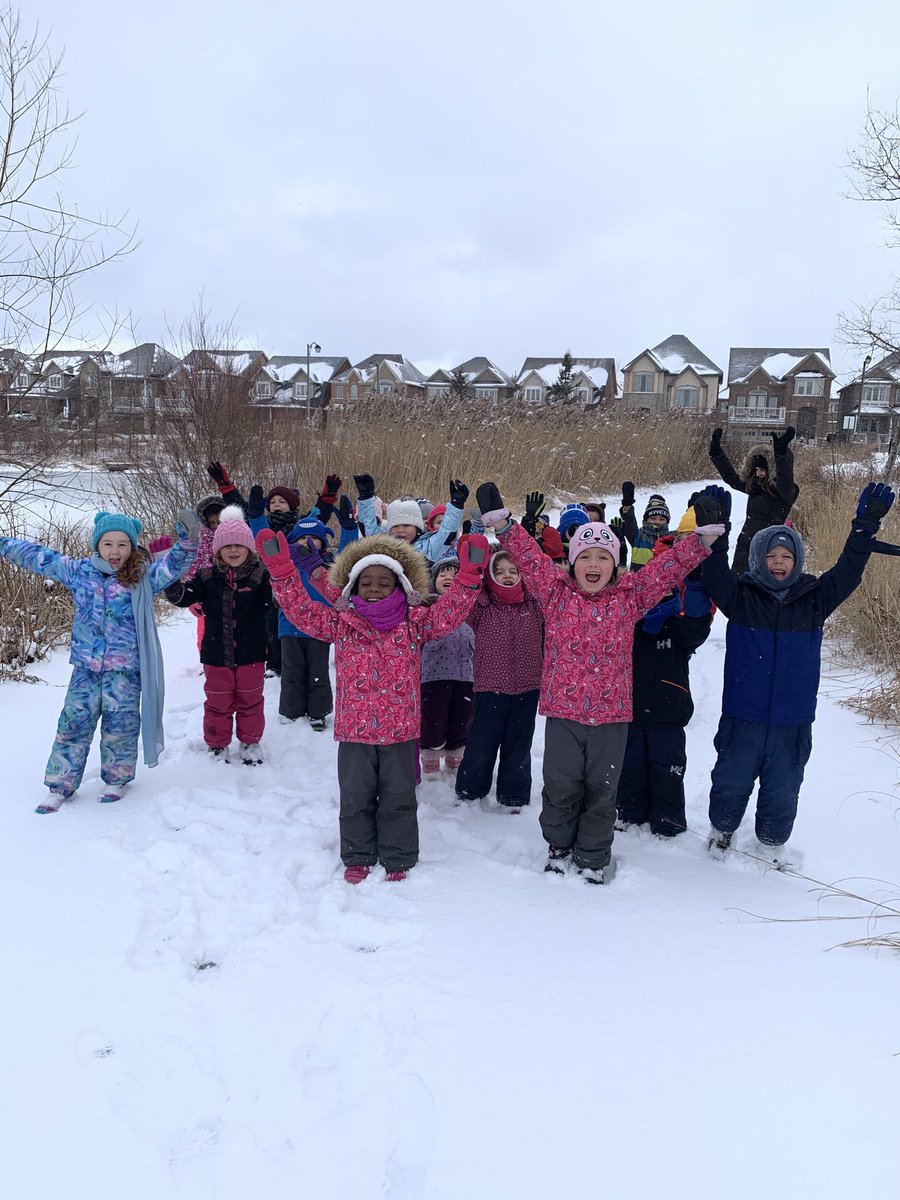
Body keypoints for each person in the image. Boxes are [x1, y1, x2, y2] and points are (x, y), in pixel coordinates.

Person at [475, 482, 724, 883]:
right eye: (586, 556)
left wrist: (702, 540)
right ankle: (559, 847)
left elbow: (667, 568)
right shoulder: (555, 594)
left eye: (603, 557)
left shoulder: (629, 597)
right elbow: (529, 558)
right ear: (573, 562)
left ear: (615, 564)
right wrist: (503, 525)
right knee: (560, 785)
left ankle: (593, 854)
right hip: (563, 713)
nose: (594, 563)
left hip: (611, 716)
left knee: (602, 789)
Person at [256, 527, 490, 883]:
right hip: (355, 732)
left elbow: (450, 613)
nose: (375, 588)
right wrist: (282, 571)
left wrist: (469, 577)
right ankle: (358, 854)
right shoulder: (341, 624)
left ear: (400, 585)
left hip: (400, 731)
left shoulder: (415, 623)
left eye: (384, 581)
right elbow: (300, 611)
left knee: (399, 796)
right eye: (366, 582)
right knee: (355, 797)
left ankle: (398, 856)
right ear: (353, 587)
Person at [702, 481, 894, 866]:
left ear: (797, 561)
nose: (778, 561)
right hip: (743, 717)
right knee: (730, 782)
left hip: (792, 723)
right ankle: (721, 830)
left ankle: (772, 844)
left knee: (783, 788)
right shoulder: (740, 598)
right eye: (770, 555)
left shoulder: (815, 600)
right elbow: (714, 573)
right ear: (758, 559)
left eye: (786, 555)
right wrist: (717, 535)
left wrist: (863, 530)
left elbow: (847, 572)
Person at [0, 507, 199, 812]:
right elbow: (38, 556)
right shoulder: (78, 571)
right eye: (108, 543)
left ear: (132, 546)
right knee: (73, 724)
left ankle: (117, 780)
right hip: (86, 668)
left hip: (125, 670)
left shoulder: (142, 576)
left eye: (122, 544)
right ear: (97, 545)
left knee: (121, 726)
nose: (114, 551)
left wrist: (187, 542)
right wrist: (3, 543)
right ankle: (61, 785)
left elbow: (174, 565)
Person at [615, 496, 717, 837]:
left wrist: (697, 583)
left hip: (668, 716)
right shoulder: (627, 627)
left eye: (663, 594)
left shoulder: (678, 629)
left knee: (667, 770)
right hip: (629, 714)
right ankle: (629, 815)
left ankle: (669, 822)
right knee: (630, 767)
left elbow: (699, 622)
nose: (655, 600)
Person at [165, 505, 270, 764]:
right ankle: (217, 744)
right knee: (217, 703)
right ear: (218, 550)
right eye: (227, 546)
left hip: (252, 654)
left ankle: (250, 741)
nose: (233, 550)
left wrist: (281, 577)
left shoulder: (260, 575)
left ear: (248, 548)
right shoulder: (207, 575)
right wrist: (170, 579)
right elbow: (183, 597)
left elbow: (277, 601)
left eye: (239, 545)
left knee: (250, 701)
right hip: (216, 654)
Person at [455, 550, 544, 811]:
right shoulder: (482, 606)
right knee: (481, 743)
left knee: (519, 745)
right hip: (489, 687)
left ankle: (514, 795)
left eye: (513, 571)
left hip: (527, 687)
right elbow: (461, 602)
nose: (507, 576)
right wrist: (471, 574)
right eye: (500, 571)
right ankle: (471, 789)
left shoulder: (534, 604)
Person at [278, 506, 358, 731]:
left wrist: (349, 529)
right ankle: (291, 710)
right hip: (289, 626)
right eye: (303, 538)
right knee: (291, 671)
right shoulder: (288, 563)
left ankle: (318, 712)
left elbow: (348, 553)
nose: (308, 542)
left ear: (323, 542)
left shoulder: (328, 564)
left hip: (320, 627)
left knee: (318, 672)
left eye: (314, 538)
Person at [709, 426, 799, 575]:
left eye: (762, 470)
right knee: (739, 584)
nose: (758, 474)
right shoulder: (754, 487)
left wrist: (781, 454)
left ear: (771, 471)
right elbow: (731, 477)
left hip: (768, 548)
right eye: (756, 470)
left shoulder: (782, 493)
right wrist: (716, 452)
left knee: (760, 585)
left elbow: (785, 481)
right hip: (745, 547)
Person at [419, 555, 475, 778]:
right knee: (433, 722)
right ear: (434, 581)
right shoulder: (428, 606)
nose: (449, 578)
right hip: (433, 676)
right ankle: (431, 763)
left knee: (461, 721)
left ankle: (454, 761)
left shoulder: (470, 606)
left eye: (455, 574)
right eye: (443, 574)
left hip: (465, 676)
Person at [355, 474, 468, 564]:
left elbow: (446, 533)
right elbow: (368, 527)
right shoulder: (383, 544)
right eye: (395, 526)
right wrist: (366, 497)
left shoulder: (428, 548)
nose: (400, 530)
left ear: (417, 528)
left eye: (406, 525)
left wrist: (457, 504)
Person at [619, 482, 670, 570]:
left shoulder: (672, 539)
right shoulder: (637, 537)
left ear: (667, 522)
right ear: (646, 520)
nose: (657, 522)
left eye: (662, 519)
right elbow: (629, 522)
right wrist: (627, 507)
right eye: (653, 518)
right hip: (638, 579)